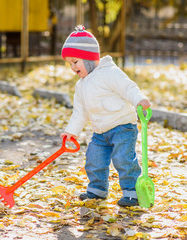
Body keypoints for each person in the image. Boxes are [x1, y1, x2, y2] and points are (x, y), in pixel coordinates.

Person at [60, 25, 151, 207]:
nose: (72, 67)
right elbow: (80, 111)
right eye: (69, 63)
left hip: (122, 127)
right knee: (94, 160)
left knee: (123, 159)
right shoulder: (81, 86)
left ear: (89, 58)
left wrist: (139, 100)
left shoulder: (109, 73)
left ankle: (132, 192)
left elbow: (128, 87)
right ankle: (97, 190)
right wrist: (72, 131)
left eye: (75, 61)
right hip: (100, 132)